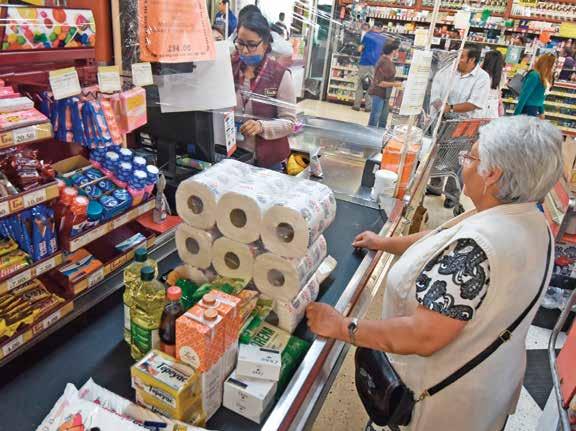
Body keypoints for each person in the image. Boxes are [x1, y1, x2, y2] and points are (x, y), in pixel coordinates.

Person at [307, 115, 563, 431]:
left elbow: (422, 334)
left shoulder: (477, 248)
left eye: (471, 157)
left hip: (441, 404)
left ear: (492, 174)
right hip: (491, 386)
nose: (464, 162)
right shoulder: (528, 220)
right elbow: (444, 236)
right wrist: (385, 243)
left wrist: (342, 326)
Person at [428, 44, 491, 207]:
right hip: (443, 121)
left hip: (465, 126)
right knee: (438, 155)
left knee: (458, 161)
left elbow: (474, 103)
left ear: (472, 60)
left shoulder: (482, 78)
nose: (458, 60)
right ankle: (435, 186)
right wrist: (439, 105)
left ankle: (452, 195)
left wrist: (450, 108)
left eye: (462, 57)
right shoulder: (448, 72)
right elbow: (436, 91)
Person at [232, 12, 296, 170]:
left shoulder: (279, 75)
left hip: (267, 160)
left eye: (251, 45)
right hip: (233, 156)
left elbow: (289, 123)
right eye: (240, 43)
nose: (244, 50)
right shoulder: (230, 68)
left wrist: (261, 126)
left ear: (266, 44)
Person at [367, 39, 402, 128]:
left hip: (385, 94)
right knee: (375, 117)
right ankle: (370, 134)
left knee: (383, 118)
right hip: (379, 93)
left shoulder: (387, 61)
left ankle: (380, 134)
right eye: (397, 51)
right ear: (393, 51)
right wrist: (395, 84)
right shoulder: (384, 62)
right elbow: (380, 83)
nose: (398, 53)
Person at [353, 26, 386, 112]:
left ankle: (356, 106)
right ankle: (368, 107)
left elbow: (360, 49)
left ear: (373, 27)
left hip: (364, 63)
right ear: (381, 29)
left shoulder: (367, 35)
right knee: (371, 86)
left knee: (360, 84)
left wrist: (363, 50)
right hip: (375, 65)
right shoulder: (383, 38)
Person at [478, 50, 505, 119]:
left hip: (481, 104)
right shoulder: (501, 75)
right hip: (493, 105)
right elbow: (499, 89)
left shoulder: (483, 74)